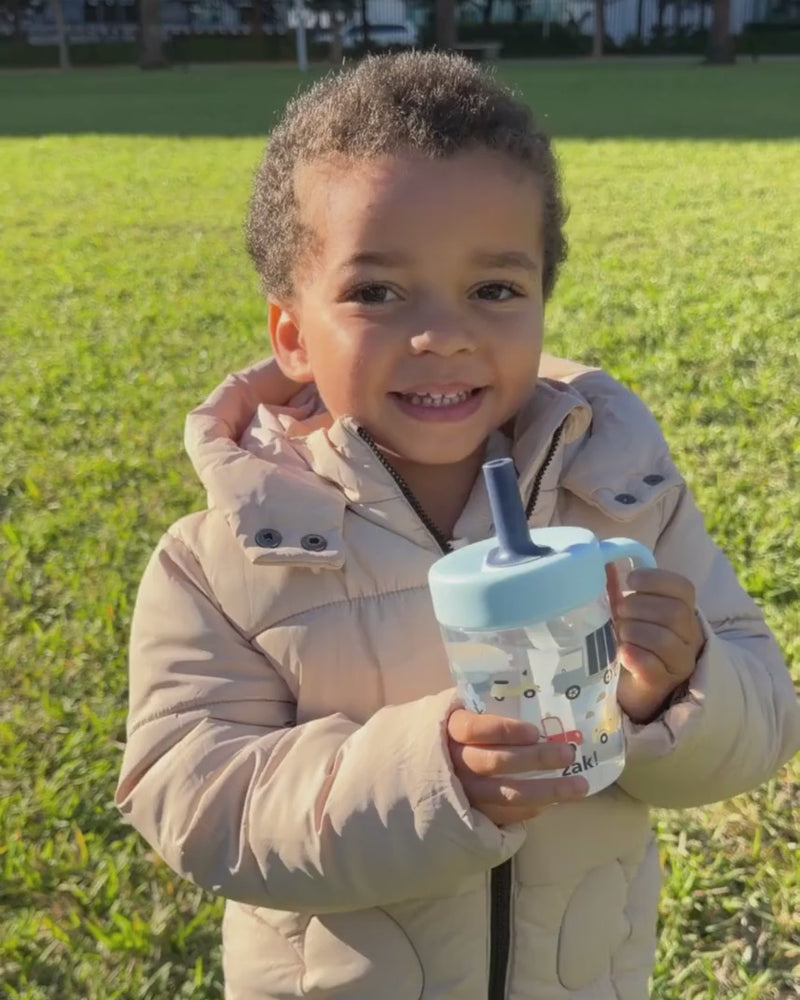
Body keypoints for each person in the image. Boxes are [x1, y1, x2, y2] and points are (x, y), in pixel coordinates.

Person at [115, 52, 800, 1000]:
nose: (442, 333)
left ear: (543, 300)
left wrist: (676, 688)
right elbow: (195, 802)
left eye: (495, 290)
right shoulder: (224, 558)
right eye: (377, 292)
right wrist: (432, 776)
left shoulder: (620, 497)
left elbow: (764, 719)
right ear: (292, 336)